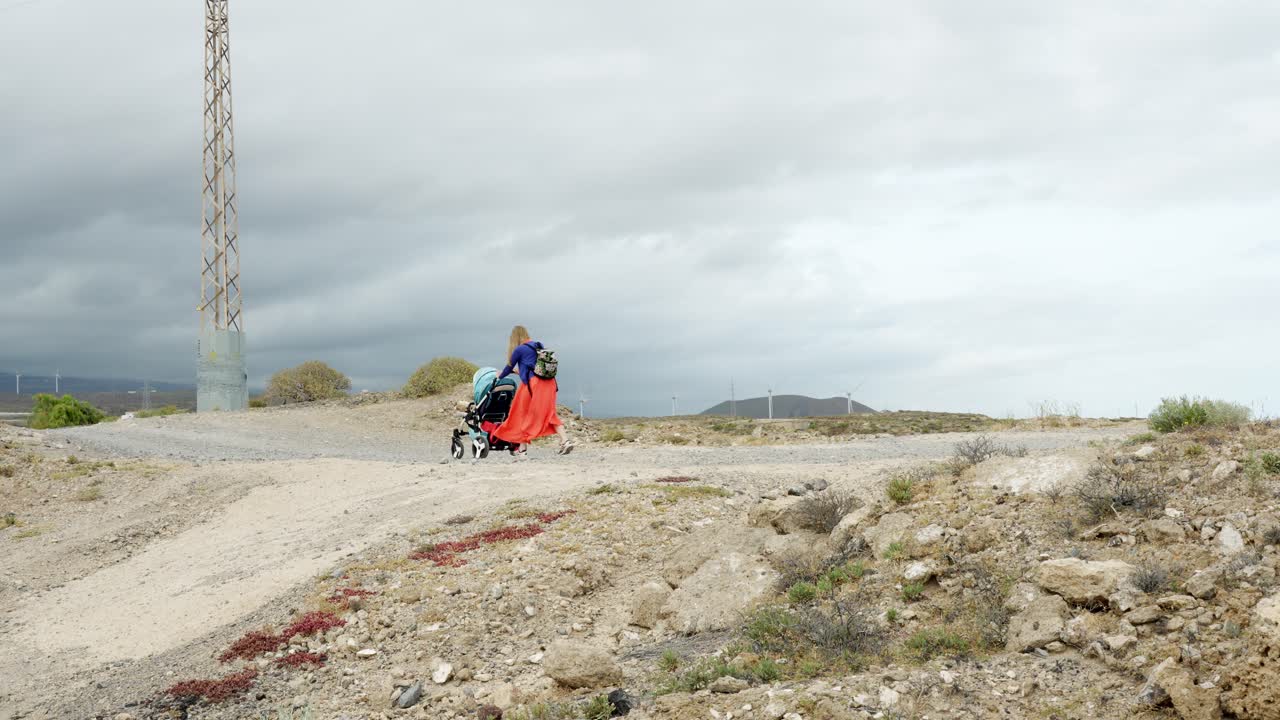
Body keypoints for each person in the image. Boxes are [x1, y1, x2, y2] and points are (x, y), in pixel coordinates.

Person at [494, 325, 574, 457]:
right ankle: (565, 441)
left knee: (520, 413)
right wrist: (516, 372)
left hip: (534, 386)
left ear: (514, 338)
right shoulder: (538, 346)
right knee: (550, 414)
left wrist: (500, 376)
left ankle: (523, 451)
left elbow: (508, 367)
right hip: (550, 384)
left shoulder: (519, 349)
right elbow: (534, 369)